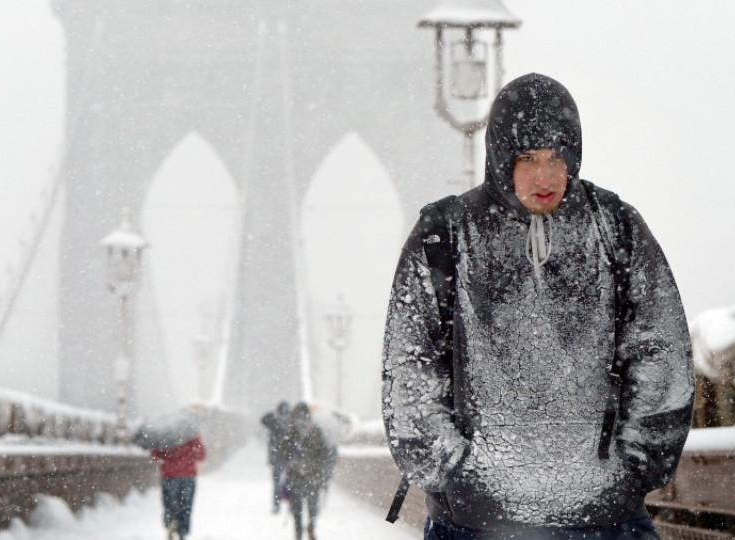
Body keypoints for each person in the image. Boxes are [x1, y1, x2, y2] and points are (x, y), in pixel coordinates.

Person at [381, 73, 695, 539]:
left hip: (604, 520)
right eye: (528, 158)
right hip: (475, 523)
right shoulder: (443, 235)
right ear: (501, 157)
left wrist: (630, 472)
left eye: (556, 158)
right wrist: (457, 475)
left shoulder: (618, 229)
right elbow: (410, 369)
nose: (545, 176)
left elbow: (660, 352)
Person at [283, 402, 337, 540]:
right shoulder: (315, 429)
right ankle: (311, 524)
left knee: (297, 509)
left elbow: (283, 452)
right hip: (313, 475)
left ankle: (298, 532)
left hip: (295, 476)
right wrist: (319, 467)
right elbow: (325, 453)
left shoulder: (291, 430)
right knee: (312, 505)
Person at [151, 434, 207, 540]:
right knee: (186, 505)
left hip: (169, 476)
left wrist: (167, 453)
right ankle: (182, 531)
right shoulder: (191, 435)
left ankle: (171, 521)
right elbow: (201, 455)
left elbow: (155, 455)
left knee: (169, 503)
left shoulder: (165, 435)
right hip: (187, 476)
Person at [261, 400, 293, 513]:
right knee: (290, 482)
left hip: (276, 457)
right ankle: (291, 505)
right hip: (289, 458)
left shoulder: (274, 421)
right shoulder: (291, 422)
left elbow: (263, 419)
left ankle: (276, 505)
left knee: (276, 483)